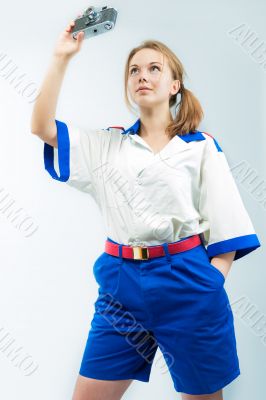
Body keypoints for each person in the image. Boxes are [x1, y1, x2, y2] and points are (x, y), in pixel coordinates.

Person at [30, 16, 261, 400]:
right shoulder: (108, 145)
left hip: (188, 283)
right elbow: (42, 127)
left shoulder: (200, 146)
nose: (143, 75)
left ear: (174, 86)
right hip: (121, 287)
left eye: (155, 68)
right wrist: (61, 57)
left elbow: (226, 226)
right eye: (134, 70)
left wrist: (209, 285)